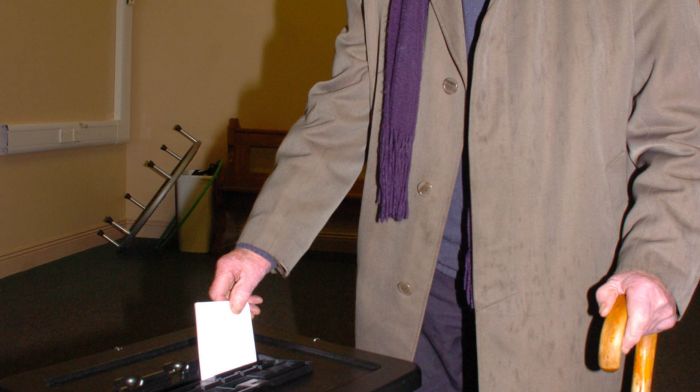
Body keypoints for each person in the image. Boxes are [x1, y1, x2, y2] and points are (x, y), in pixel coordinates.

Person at [210, 1, 700, 391]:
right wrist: (263, 242)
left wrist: (657, 261)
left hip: (558, 295)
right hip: (412, 292)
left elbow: (683, 135)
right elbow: (351, 97)